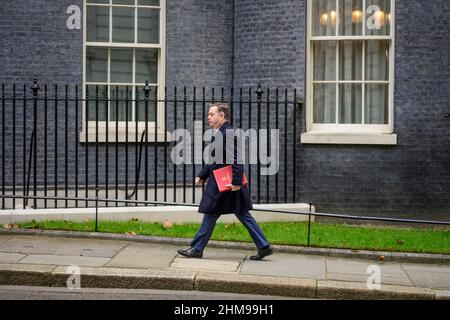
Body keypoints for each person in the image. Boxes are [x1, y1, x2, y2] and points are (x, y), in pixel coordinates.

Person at [177, 102, 273, 260]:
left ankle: (197, 247)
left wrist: (236, 183)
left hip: (227, 184)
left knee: (211, 212)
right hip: (226, 183)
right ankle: (263, 246)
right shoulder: (222, 132)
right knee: (241, 213)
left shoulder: (227, 133)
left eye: (211, 114)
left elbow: (236, 160)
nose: (208, 117)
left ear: (222, 116)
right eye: (209, 114)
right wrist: (202, 174)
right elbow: (215, 160)